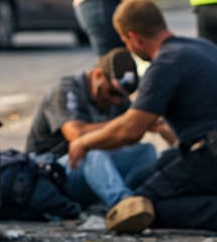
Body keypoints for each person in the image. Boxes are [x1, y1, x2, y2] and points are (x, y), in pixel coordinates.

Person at [68, 0, 217, 237]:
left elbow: (130, 130)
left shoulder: (165, 64)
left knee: (140, 206)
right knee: (149, 173)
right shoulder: (201, 48)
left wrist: (83, 142)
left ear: (133, 38)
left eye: (125, 41)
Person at [24, 47, 169, 211]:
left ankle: (143, 199)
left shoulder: (117, 99)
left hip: (91, 173)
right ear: (98, 75)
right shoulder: (66, 89)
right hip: (50, 172)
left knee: (145, 152)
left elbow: (129, 134)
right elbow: (76, 134)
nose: (116, 101)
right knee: (92, 151)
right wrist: (129, 122)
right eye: (113, 93)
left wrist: (151, 125)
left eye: (122, 96)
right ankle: (123, 205)